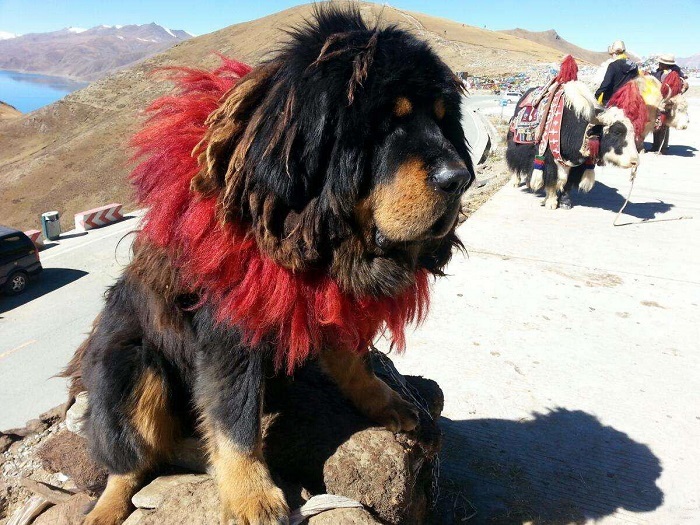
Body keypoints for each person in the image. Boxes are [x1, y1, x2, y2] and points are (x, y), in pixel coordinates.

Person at [651, 54, 688, 153]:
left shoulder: (672, 75)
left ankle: (662, 147)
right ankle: (657, 145)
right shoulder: (665, 72)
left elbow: (668, 88)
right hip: (663, 100)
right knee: (658, 123)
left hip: (667, 100)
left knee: (664, 123)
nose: (659, 64)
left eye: (660, 63)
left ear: (664, 64)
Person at [595, 40, 639, 105]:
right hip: (628, 100)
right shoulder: (634, 65)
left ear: (615, 53)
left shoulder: (613, 65)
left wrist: (597, 94)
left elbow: (606, 83)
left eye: (612, 54)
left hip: (613, 100)